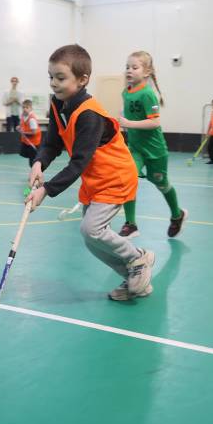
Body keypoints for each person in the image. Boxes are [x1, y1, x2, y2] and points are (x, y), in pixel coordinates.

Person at [25, 44, 155, 302]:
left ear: (82, 80)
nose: (53, 83)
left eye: (60, 78)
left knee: (90, 229)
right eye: (51, 77)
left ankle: (137, 258)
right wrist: (39, 163)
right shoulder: (58, 103)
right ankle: (135, 279)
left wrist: (46, 190)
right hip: (96, 180)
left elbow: (79, 162)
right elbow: (52, 142)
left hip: (116, 177)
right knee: (91, 239)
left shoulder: (89, 114)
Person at [117, 51, 187, 239]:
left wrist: (129, 123)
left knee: (161, 184)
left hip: (155, 151)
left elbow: (154, 122)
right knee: (128, 179)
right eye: (127, 67)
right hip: (136, 149)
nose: (129, 70)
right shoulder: (125, 92)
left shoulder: (148, 94)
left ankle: (177, 215)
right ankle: (130, 224)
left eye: (134, 67)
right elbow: (127, 115)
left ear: (146, 72)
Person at [18, 99, 41, 167]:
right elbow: (23, 125)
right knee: (23, 153)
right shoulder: (23, 116)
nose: (24, 109)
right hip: (26, 141)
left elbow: (34, 132)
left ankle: (36, 171)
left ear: (31, 108)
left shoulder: (31, 119)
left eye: (27, 107)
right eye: (23, 107)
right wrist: (19, 127)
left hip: (33, 142)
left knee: (33, 161)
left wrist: (24, 132)